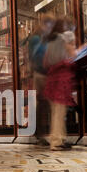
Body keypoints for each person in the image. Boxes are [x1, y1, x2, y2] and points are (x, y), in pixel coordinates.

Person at [42, 16, 77, 151]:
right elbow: (72, 55)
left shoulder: (50, 42)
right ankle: (56, 142)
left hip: (52, 79)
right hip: (61, 79)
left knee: (56, 112)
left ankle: (60, 139)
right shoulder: (63, 40)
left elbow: (45, 62)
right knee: (59, 112)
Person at [28, 13, 56, 145]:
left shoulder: (45, 39)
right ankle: (40, 134)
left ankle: (42, 134)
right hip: (41, 74)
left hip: (45, 74)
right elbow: (35, 58)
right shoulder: (36, 39)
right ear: (45, 24)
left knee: (44, 104)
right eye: (49, 25)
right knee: (44, 104)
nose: (51, 28)